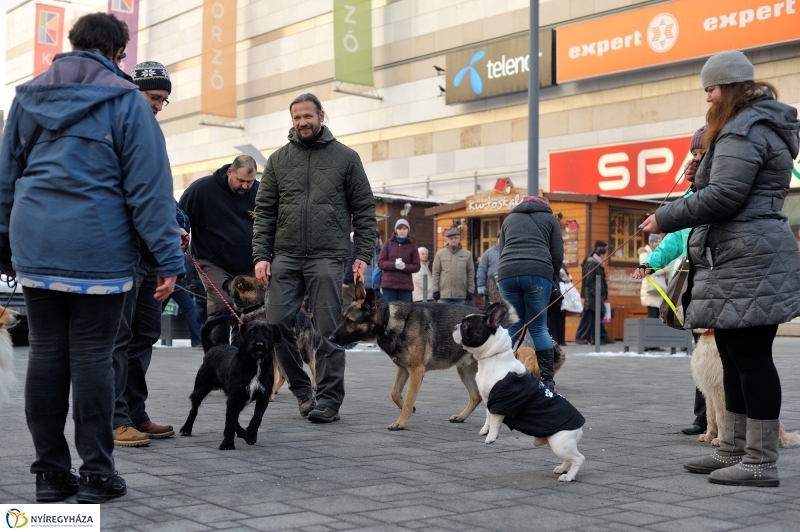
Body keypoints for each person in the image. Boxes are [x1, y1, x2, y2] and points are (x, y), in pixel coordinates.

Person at [0, 13, 182, 503]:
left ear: (73, 42)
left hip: (36, 245)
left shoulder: (27, 96)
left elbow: (6, 178)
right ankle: (98, 473)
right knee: (93, 359)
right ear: (119, 52)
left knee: (45, 354)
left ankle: (50, 475)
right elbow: (149, 191)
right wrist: (168, 259)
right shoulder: (127, 101)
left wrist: (5, 246)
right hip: (99, 249)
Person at [641, 51, 800, 487]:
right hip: (739, 254)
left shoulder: (744, 130)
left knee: (751, 360)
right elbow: (725, 190)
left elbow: (726, 197)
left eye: (711, 88)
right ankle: (732, 448)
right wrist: (697, 178)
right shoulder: (742, 129)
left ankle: (760, 461)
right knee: (732, 358)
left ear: (731, 87)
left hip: (748, 255)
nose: (707, 96)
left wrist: (667, 216)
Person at [253, 93, 375, 424]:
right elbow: (264, 212)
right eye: (297, 118)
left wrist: (363, 252)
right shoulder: (279, 160)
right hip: (287, 256)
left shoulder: (346, 158)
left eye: (308, 116)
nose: (303, 122)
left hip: (327, 255)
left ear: (321, 115)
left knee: (327, 331)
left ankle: (330, 400)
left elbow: (365, 209)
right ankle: (303, 392)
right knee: (275, 327)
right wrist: (261, 255)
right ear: (291, 121)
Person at [109, 60, 184, 448]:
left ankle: (135, 412)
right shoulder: (117, 127)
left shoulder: (151, 131)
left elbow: (158, 191)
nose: (158, 106)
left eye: (163, 101)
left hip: (151, 255)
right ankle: (115, 418)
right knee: (118, 340)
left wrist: (178, 222)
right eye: (155, 97)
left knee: (144, 336)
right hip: (123, 251)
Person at [635, 126, 707, 436]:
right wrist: (650, 263)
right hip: (699, 280)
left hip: (722, 276)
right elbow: (676, 237)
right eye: (693, 153)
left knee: (731, 354)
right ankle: (704, 417)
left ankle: (731, 421)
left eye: (701, 152)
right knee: (703, 351)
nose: (696, 158)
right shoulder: (693, 190)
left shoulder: (722, 184)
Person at [179, 155, 259, 344]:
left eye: (250, 182)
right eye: (241, 180)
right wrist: (180, 235)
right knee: (224, 305)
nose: (245, 186)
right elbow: (180, 217)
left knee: (251, 310)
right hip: (212, 259)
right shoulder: (202, 189)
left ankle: (240, 358)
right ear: (230, 172)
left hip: (249, 261)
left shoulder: (260, 191)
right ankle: (218, 355)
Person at [496, 195, 563, 391]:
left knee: (512, 327)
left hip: (507, 273)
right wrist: (552, 275)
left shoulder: (509, 219)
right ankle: (547, 381)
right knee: (538, 327)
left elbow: (502, 251)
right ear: (545, 205)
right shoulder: (550, 219)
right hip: (538, 273)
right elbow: (557, 253)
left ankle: (501, 375)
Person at [574, 241, 611, 345]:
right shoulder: (592, 263)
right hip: (592, 296)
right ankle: (582, 336)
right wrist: (596, 293)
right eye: (605, 254)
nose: (606, 257)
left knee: (596, 315)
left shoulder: (597, 263)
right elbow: (589, 281)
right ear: (601, 254)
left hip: (595, 295)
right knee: (589, 316)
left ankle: (591, 336)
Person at [378, 219, 420, 302]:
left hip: (405, 286)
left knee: (404, 312)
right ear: (396, 230)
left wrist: (404, 266)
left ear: (408, 230)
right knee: (389, 311)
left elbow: (417, 266)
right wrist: (394, 265)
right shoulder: (388, 243)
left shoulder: (412, 245)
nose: (402, 231)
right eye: (400, 229)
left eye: (404, 229)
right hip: (388, 285)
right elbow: (381, 263)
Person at [431, 229, 474, 304]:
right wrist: (435, 290)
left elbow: (471, 273)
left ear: (459, 239)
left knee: (460, 315)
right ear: (447, 240)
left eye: (456, 238)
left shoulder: (467, 254)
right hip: (444, 293)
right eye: (451, 238)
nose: (454, 240)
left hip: (461, 292)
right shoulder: (440, 254)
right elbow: (435, 273)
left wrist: (470, 290)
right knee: (444, 315)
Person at [638, 234, 667, 319]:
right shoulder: (644, 253)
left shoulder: (658, 255)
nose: (658, 243)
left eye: (659, 242)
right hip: (651, 289)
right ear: (650, 243)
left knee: (659, 317)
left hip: (659, 290)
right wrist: (664, 269)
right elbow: (647, 269)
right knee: (652, 316)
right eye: (655, 241)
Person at [547, 262, 571, 346]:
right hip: (554, 291)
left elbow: (567, 279)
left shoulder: (561, 264)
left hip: (559, 291)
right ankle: (554, 339)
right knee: (553, 316)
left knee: (559, 317)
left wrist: (566, 277)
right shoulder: (555, 262)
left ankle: (560, 339)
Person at [476, 233, 500, 309]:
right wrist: (481, 285)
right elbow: (482, 269)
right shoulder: (489, 253)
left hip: (507, 289)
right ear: (497, 239)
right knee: (490, 313)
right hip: (491, 289)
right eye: (501, 238)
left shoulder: (510, 252)